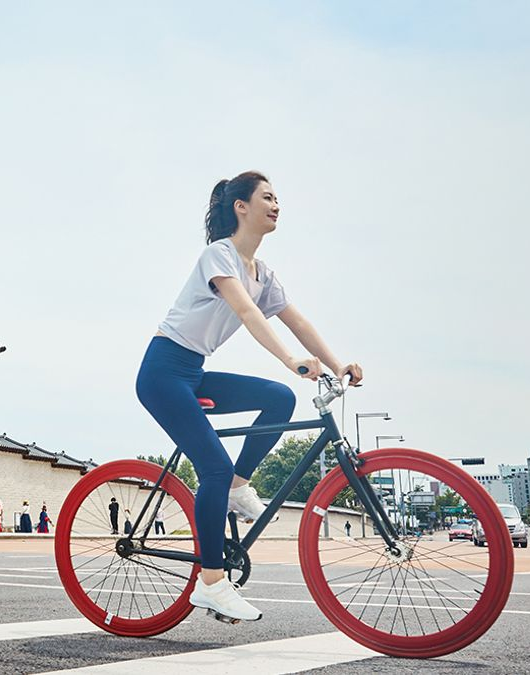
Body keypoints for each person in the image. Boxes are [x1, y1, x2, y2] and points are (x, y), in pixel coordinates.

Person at [135, 171, 363, 623]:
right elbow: (245, 310)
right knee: (212, 466)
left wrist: (336, 364)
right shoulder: (218, 255)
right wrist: (291, 360)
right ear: (241, 206)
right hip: (162, 373)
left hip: (193, 372)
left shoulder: (265, 274)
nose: (276, 205)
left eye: (279, 198)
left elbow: (298, 322)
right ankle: (212, 584)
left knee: (279, 400)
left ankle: (238, 486)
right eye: (268, 197)